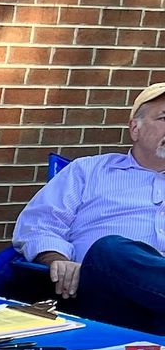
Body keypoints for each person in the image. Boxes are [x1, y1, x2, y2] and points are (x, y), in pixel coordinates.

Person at [13, 81, 165, 335]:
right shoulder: (89, 171)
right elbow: (37, 225)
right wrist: (57, 259)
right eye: (164, 117)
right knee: (110, 249)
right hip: (107, 299)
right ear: (135, 128)